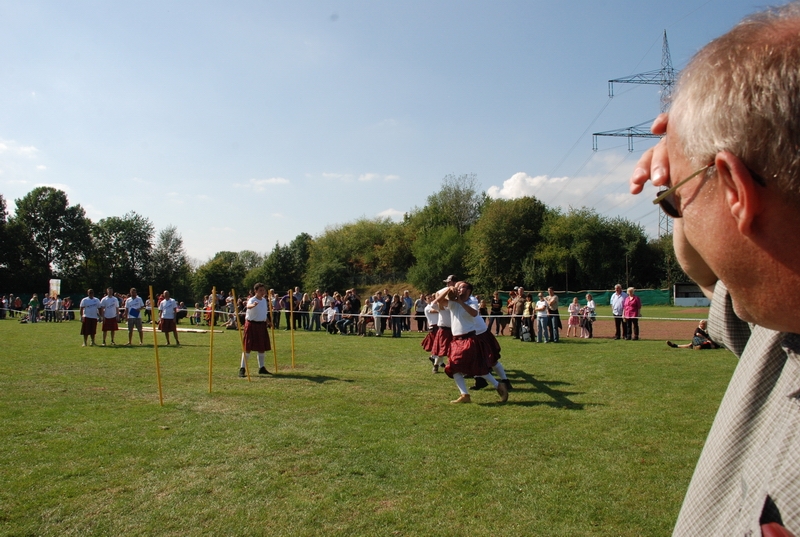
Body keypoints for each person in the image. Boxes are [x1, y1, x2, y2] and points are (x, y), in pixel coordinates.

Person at [628, 5, 800, 533]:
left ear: (735, 190)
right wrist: (683, 172)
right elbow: (708, 274)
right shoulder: (779, 323)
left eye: (675, 200)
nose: (676, 212)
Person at [435, 281, 507, 404]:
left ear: (468, 291)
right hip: (456, 341)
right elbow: (438, 301)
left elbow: (474, 313)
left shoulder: (472, 301)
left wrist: (460, 302)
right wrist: (448, 289)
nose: (458, 288)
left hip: (469, 339)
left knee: (476, 368)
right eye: (457, 287)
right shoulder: (452, 302)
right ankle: (465, 394)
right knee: (453, 367)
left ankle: (498, 385)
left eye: (461, 287)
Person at [239, 283, 271, 377]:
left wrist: (269, 322)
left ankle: (262, 368)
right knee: (247, 347)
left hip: (261, 325)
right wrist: (253, 305)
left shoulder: (264, 300)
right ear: (255, 291)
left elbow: (264, 314)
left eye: (263, 290)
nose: (262, 292)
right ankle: (242, 369)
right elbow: (248, 306)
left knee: (262, 347)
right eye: (260, 290)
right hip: (251, 325)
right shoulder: (252, 300)